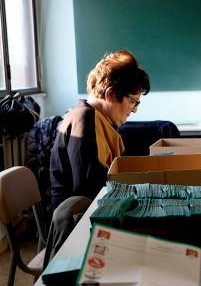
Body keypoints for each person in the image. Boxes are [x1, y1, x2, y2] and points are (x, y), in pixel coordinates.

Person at [49, 50, 150, 209]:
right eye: (132, 101)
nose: (134, 110)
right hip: (77, 224)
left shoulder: (97, 119)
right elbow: (91, 191)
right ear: (110, 94)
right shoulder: (85, 122)